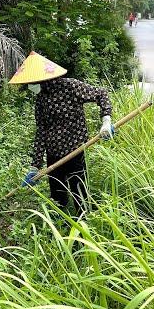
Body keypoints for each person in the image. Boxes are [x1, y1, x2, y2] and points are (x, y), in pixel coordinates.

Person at [9, 51, 114, 215]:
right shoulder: (41, 99)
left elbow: (101, 94)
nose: (30, 86)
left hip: (75, 152)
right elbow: (41, 132)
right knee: (58, 199)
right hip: (53, 156)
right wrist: (35, 166)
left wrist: (106, 120)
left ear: (42, 79)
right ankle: (60, 228)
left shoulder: (71, 87)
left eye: (32, 83)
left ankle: (84, 227)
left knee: (80, 195)